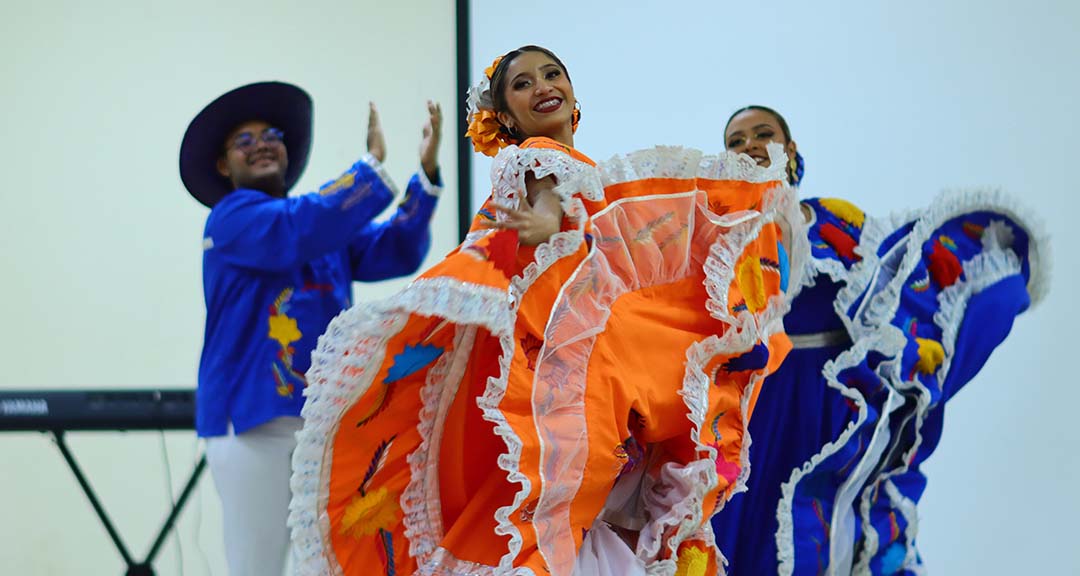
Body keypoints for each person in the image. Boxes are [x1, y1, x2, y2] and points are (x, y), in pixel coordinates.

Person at [288, 47, 806, 576]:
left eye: (552, 74)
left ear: (574, 95)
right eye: (523, 83)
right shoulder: (532, 156)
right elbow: (547, 200)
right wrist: (544, 225)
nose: (542, 85)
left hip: (588, 351)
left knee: (589, 515)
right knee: (575, 510)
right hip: (567, 357)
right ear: (506, 118)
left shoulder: (591, 174)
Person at [710, 105, 1047, 575]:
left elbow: (897, 284)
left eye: (762, 133)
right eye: (736, 140)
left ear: (790, 150)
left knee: (821, 532)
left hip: (826, 403)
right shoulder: (712, 241)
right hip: (748, 411)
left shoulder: (834, 221)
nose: (748, 144)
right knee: (731, 536)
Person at [178, 81, 444, 576]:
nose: (261, 142)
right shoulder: (231, 220)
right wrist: (370, 169)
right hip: (252, 423)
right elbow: (298, 227)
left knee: (325, 563)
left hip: (322, 421)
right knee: (255, 566)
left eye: (271, 133)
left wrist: (424, 177)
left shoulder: (321, 225)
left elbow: (396, 250)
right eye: (243, 139)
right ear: (223, 166)